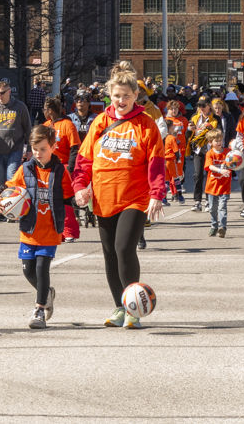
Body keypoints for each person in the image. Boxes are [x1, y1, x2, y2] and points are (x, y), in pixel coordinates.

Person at [72, 61, 165, 328]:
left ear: (136, 95)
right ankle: (119, 308)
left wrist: (157, 193)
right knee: (109, 253)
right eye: (116, 96)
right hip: (104, 198)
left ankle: (133, 308)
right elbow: (84, 160)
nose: (121, 100)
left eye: (126, 95)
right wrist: (80, 187)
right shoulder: (100, 122)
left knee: (124, 248)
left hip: (135, 197)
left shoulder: (146, 124)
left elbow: (156, 162)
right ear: (109, 96)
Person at [0, 124, 74, 329]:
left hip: (49, 231)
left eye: (43, 149)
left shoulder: (60, 171)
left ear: (53, 147)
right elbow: (9, 186)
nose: (38, 153)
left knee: (41, 268)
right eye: (35, 149)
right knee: (28, 271)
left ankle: (39, 309)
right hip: (29, 229)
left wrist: (82, 200)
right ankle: (47, 293)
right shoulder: (26, 169)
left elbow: (69, 197)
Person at [0, 79, 33, 220]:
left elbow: (28, 129)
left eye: (2, 93)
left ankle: (14, 210)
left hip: (15, 149)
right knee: (0, 181)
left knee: (12, 179)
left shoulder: (20, 107)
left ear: (9, 91)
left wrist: (29, 149)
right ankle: (3, 211)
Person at [41, 97, 82, 240]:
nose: (43, 111)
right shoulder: (46, 125)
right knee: (50, 201)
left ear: (50, 110)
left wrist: (69, 169)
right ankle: (58, 231)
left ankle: (69, 231)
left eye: (45, 109)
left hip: (63, 166)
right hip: (48, 167)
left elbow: (74, 148)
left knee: (65, 200)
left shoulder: (67, 125)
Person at [187, 99, 219, 212]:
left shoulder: (215, 119)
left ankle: (208, 200)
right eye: (199, 106)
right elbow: (189, 134)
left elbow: (218, 133)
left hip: (210, 150)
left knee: (210, 175)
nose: (201, 108)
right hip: (198, 150)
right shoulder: (195, 117)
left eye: (203, 105)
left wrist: (208, 129)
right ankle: (197, 201)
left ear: (209, 106)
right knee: (197, 175)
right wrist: (189, 129)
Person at [203, 129, 231, 237]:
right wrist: (220, 171)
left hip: (224, 185)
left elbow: (235, 161)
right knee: (212, 208)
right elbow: (209, 166)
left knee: (222, 206)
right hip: (212, 186)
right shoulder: (209, 153)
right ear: (210, 142)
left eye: (220, 140)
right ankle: (213, 226)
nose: (219, 142)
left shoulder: (228, 152)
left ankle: (222, 227)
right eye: (216, 140)